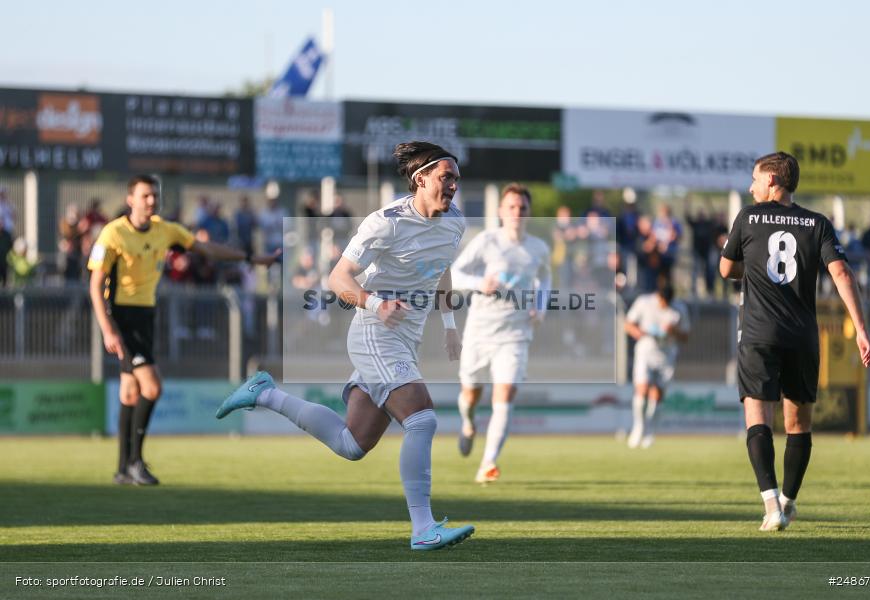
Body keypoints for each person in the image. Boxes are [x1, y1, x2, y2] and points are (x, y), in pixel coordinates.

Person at [216, 141, 474, 551]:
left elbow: (439, 270)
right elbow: (338, 279)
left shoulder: (455, 222)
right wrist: (375, 302)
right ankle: (423, 527)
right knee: (422, 419)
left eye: (457, 179)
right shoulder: (384, 222)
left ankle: (264, 393)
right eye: (447, 177)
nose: (454, 186)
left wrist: (448, 323)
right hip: (374, 331)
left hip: (405, 341)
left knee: (351, 444)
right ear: (420, 179)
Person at [88, 175, 279, 486]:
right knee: (152, 388)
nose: (152, 201)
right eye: (145, 196)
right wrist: (108, 330)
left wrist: (250, 258)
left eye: (155, 195)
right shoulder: (113, 234)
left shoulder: (166, 230)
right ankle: (135, 462)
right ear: (130, 199)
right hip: (121, 318)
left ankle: (123, 469)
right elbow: (95, 287)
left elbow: (207, 249)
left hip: (145, 316)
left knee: (130, 391)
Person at [719, 152, 870, 532]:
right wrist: (862, 330)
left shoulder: (748, 217)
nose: (749, 186)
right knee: (798, 424)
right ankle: (788, 502)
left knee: (757, 418)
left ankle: (771, 503)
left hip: (758, 335)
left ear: (772, 181)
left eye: (754, 178)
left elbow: (726, 269)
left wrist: (751, 268)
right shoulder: (817, 223)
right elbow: (843, 274)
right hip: (803, 337)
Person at [451, 183, 551, 483]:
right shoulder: (486, 241)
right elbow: (454, 274)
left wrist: (541, 307)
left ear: (529, 213)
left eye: (522, 208)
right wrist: (480, 283)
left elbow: (545, 279)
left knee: (504, 394)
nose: (517, 213)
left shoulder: (538, 248)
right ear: (500, 211)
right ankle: (468, 424)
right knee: (470, 394)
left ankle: (488, 464)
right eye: (511, 207)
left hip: (516, 334)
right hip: (480, 332)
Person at [623, 279, 690, 449]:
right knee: (642, 389)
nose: (664, 305)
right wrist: (639, 333)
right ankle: (638, 427)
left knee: (657, 395)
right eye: (662, 301)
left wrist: (673, 331)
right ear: (658, 296)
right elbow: (628, 324)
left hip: (666, 355)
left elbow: (686, 337)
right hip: (646, 351)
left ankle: (650, 431)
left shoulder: (679, 309)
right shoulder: (644, 302)